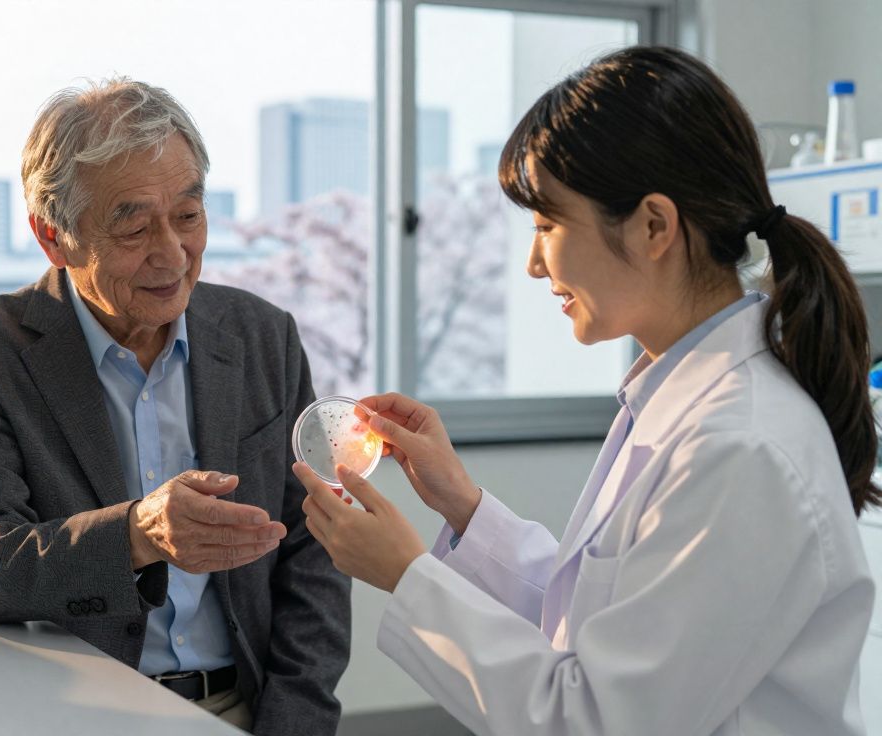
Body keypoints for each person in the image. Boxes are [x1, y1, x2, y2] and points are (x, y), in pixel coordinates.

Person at [294, 46, 877, 735]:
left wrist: (407, 573)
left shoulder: (739, 447)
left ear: (654, 226)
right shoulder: (676, 399)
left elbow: (597, 718)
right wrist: (464, 506)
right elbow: (593, 623)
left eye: (547, 226)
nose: (534, 263)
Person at [0, 78, 350, 734]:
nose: (173, 253)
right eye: (132, 224)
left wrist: (295, 719)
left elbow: (312, 547)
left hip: (246, 707)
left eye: (187, 215)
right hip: (77, 714)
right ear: (53, 237)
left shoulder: (262, 336)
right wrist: (137, 535)